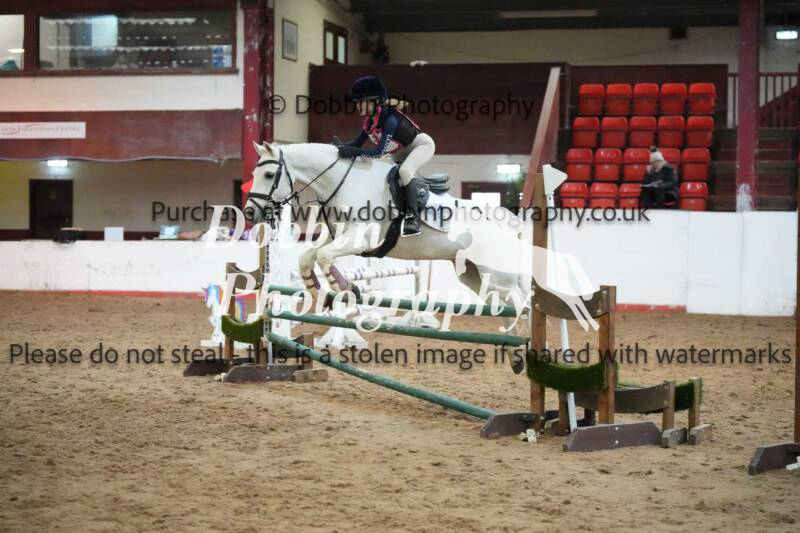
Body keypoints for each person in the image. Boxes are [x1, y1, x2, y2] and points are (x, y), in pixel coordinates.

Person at [337, 76, 435, 237]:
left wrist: (353, 152)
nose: (357, 106)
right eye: (356, 102)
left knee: (405, 171)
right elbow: (356, 143)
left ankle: (412, 218)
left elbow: (378, 152)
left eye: (362, 102)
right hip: (400, 152)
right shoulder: (370, 122)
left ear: (376, 102)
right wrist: (336, 148)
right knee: (379, 173)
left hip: (421, 146)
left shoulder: (390, 121)